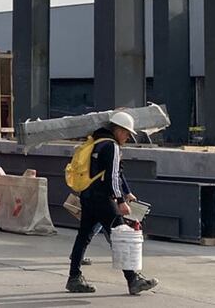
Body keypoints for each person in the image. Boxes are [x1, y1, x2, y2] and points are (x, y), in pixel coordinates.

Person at [67, 111, 158, 296]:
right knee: (121, 236)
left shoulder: (95, 143)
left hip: (88, 196)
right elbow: (112, 177)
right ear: (118, 130)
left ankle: (74, 277)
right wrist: (121, 200)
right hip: (103, 199)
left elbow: (112, 173)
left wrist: (127, 191)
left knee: (83, 236)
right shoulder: (112, 146)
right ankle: (133, 280)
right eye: (126, 134)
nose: (127, 138)